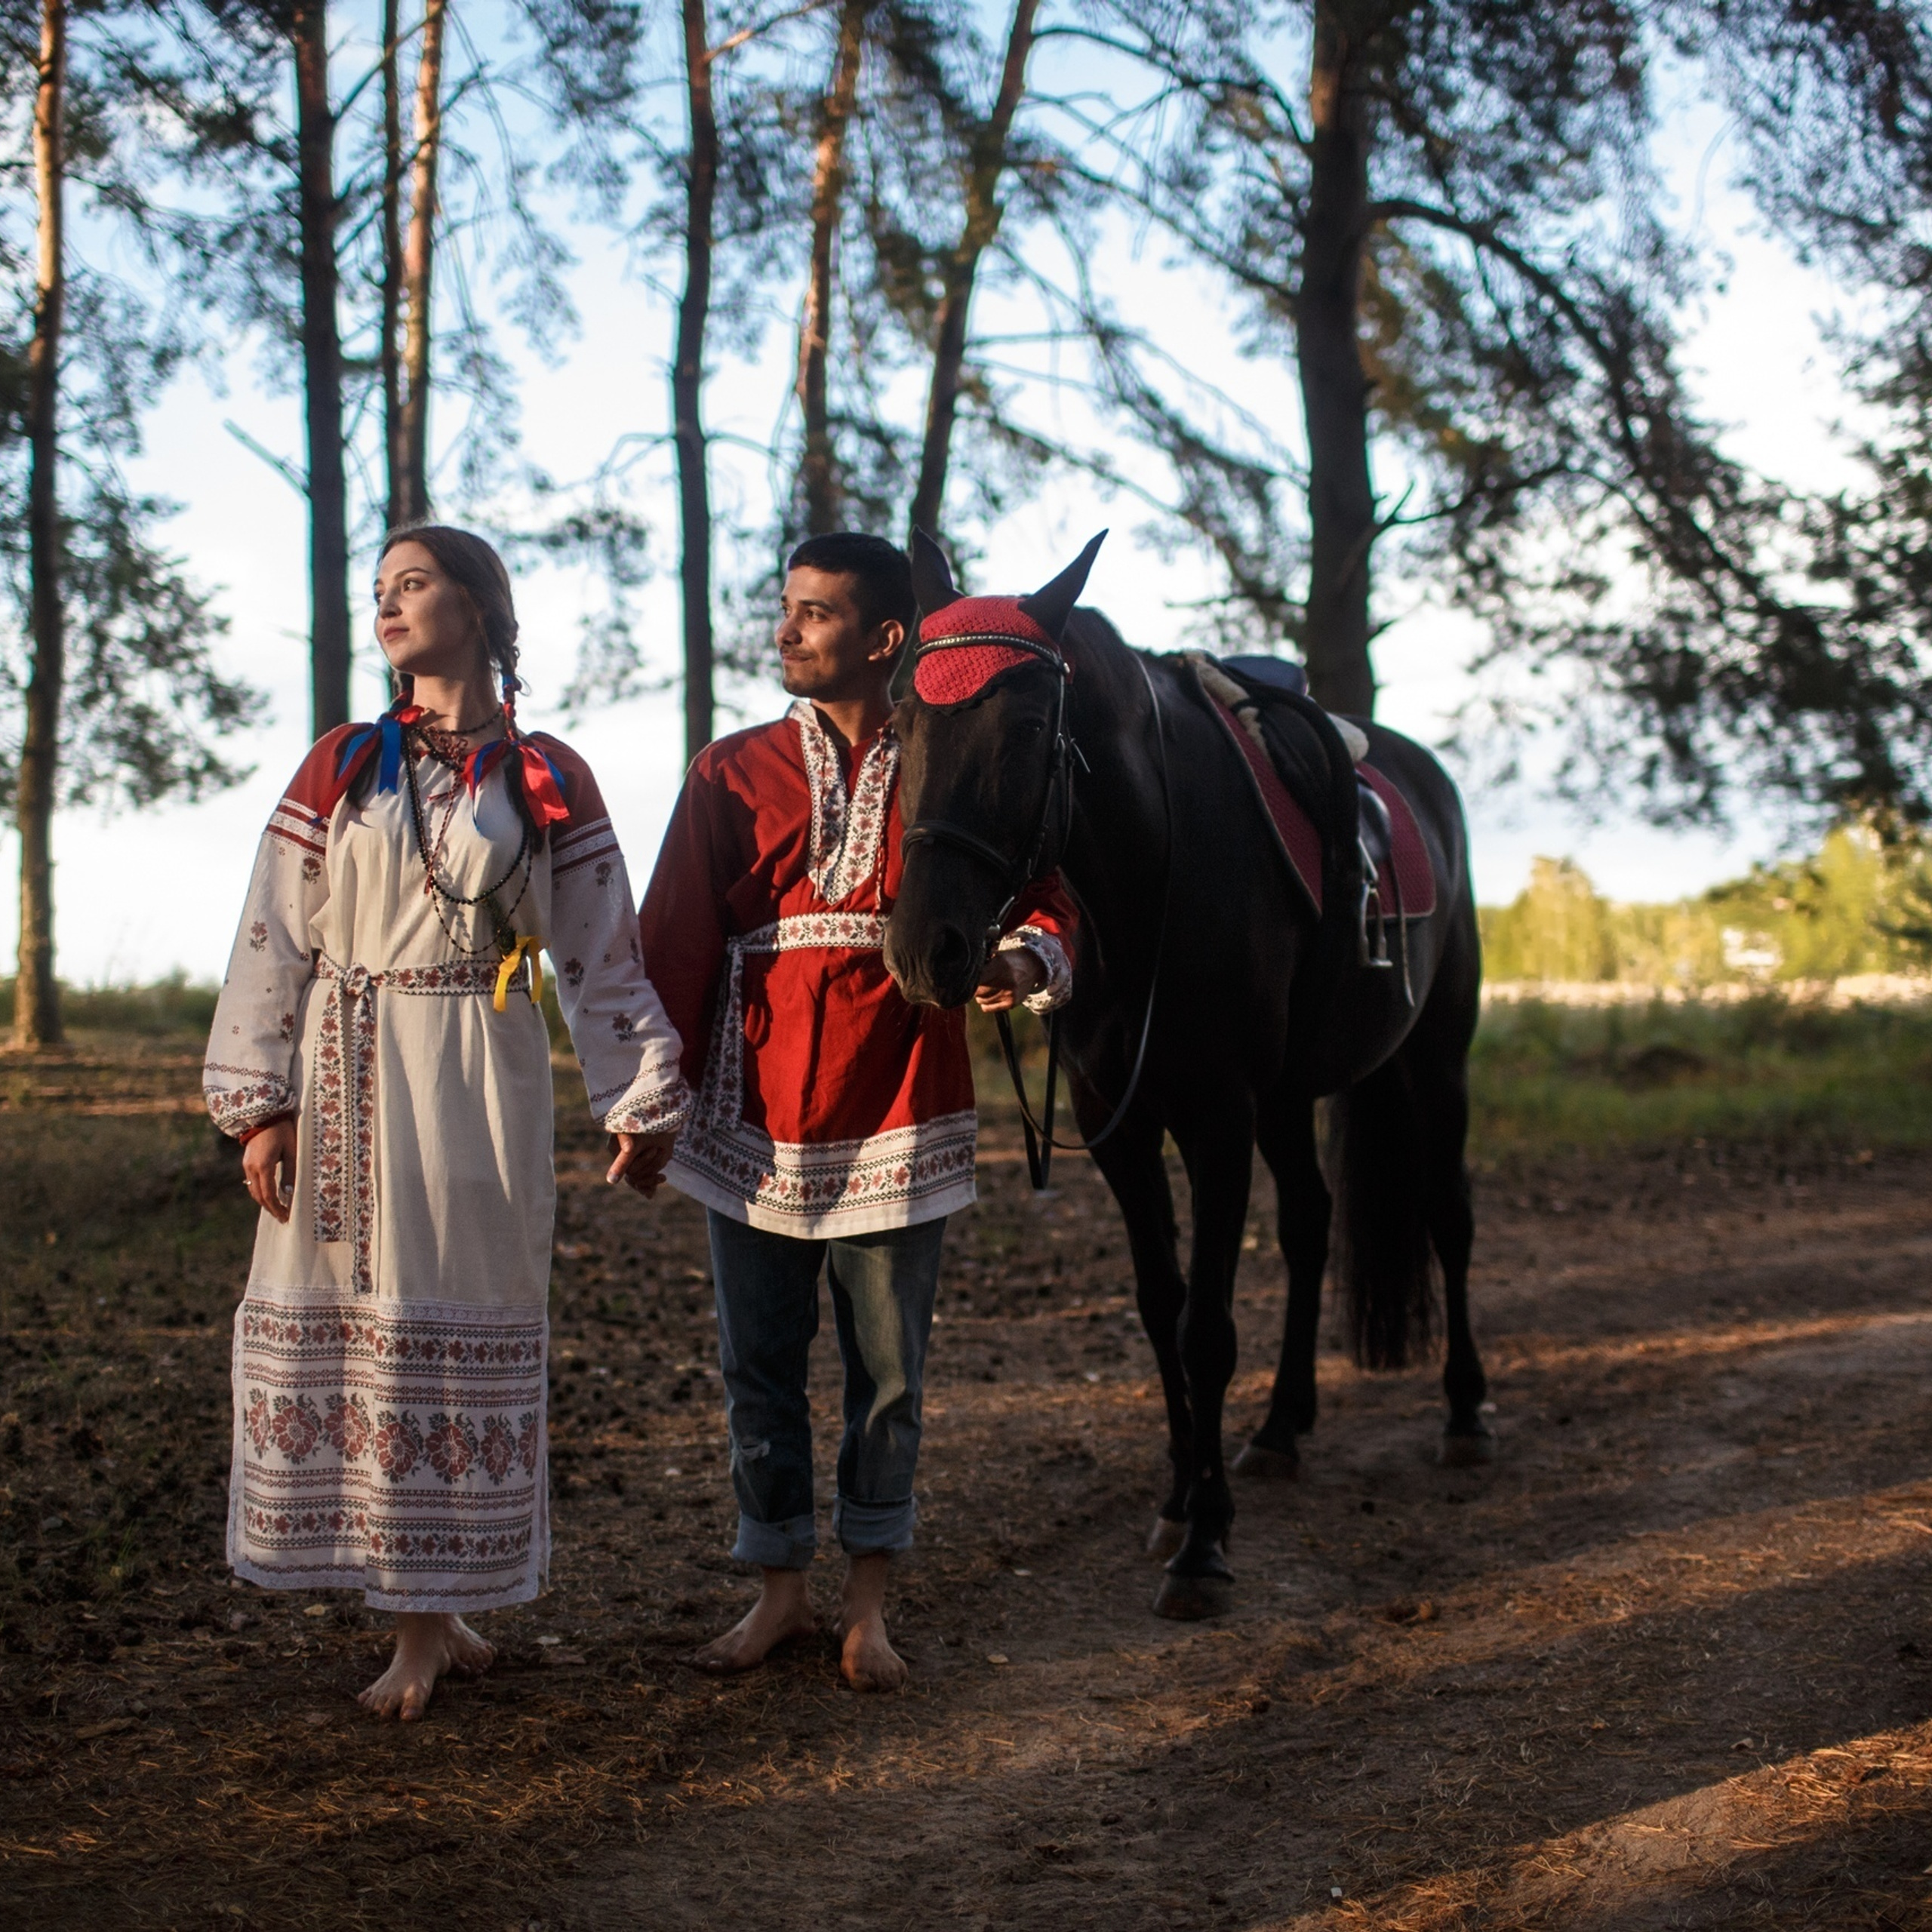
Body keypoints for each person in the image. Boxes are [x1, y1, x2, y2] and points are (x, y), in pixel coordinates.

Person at [202, 525, 688, 1721]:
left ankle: (437, 1607)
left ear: (477, 604)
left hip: (477, 1064)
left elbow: (599, 950)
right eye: (379, 591)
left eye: (413, 585)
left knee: (448, 1309)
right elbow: (273, 929)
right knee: (363, 1313)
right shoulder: (343, 764)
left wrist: (639, 1094)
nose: (389, 605)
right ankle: (418, 1620)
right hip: (345, 1064)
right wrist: (259, 1105)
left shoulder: (549, 773)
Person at [638, 531, 1076, 1691]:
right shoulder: (728, 771)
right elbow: (676, 937)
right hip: (754, 1111)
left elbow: (1046, 892)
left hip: (901, 1097)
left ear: (886, 639)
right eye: (786, 607)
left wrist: (1028, 960)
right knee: (760, 1368)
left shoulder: (949, 754)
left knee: (889, 1373)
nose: (787, 629)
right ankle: (778, 1588)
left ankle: (868, 1607)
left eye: (816, 612)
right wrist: (652, 1099)